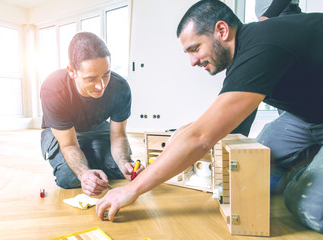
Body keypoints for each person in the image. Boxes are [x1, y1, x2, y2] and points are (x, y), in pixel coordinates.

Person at [95, 0, 323, 233]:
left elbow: (201, 137)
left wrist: (132, 190)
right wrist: (167, 152)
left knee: (310, 207)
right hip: (307, 117)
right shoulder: (246, 51)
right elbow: (212, 124)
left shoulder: (262, 48)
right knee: (254, 166)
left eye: (195, 49)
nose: (193, 61)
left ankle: (306, 173)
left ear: (222, 31)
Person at [40, 32, 144, 196]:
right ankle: (89, 161)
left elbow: (118, 136)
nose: (101, 86)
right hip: (61, 133)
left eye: (106, 75)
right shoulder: (53, 88)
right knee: (70, 178)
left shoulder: (120, 87)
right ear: (72, 71)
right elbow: (69, 144)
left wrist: (124, 162)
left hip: (98, 127)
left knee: (120, 169)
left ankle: (91, 158)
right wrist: (84, 173)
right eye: (91, 78)